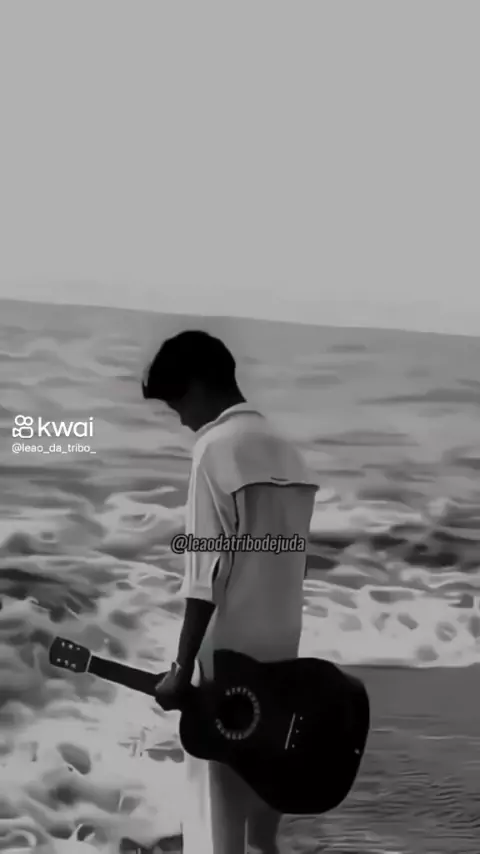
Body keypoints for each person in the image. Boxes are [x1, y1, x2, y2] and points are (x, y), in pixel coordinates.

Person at [142, 330, 318, 854]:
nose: (182, 420)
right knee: (261, 817)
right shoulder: (289, 453)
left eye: (178, 404)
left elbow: (204, 579)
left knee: (217, 818)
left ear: (198, 386)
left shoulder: (213, 449)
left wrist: (180, 670)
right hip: (282, 653)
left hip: (227, 663)